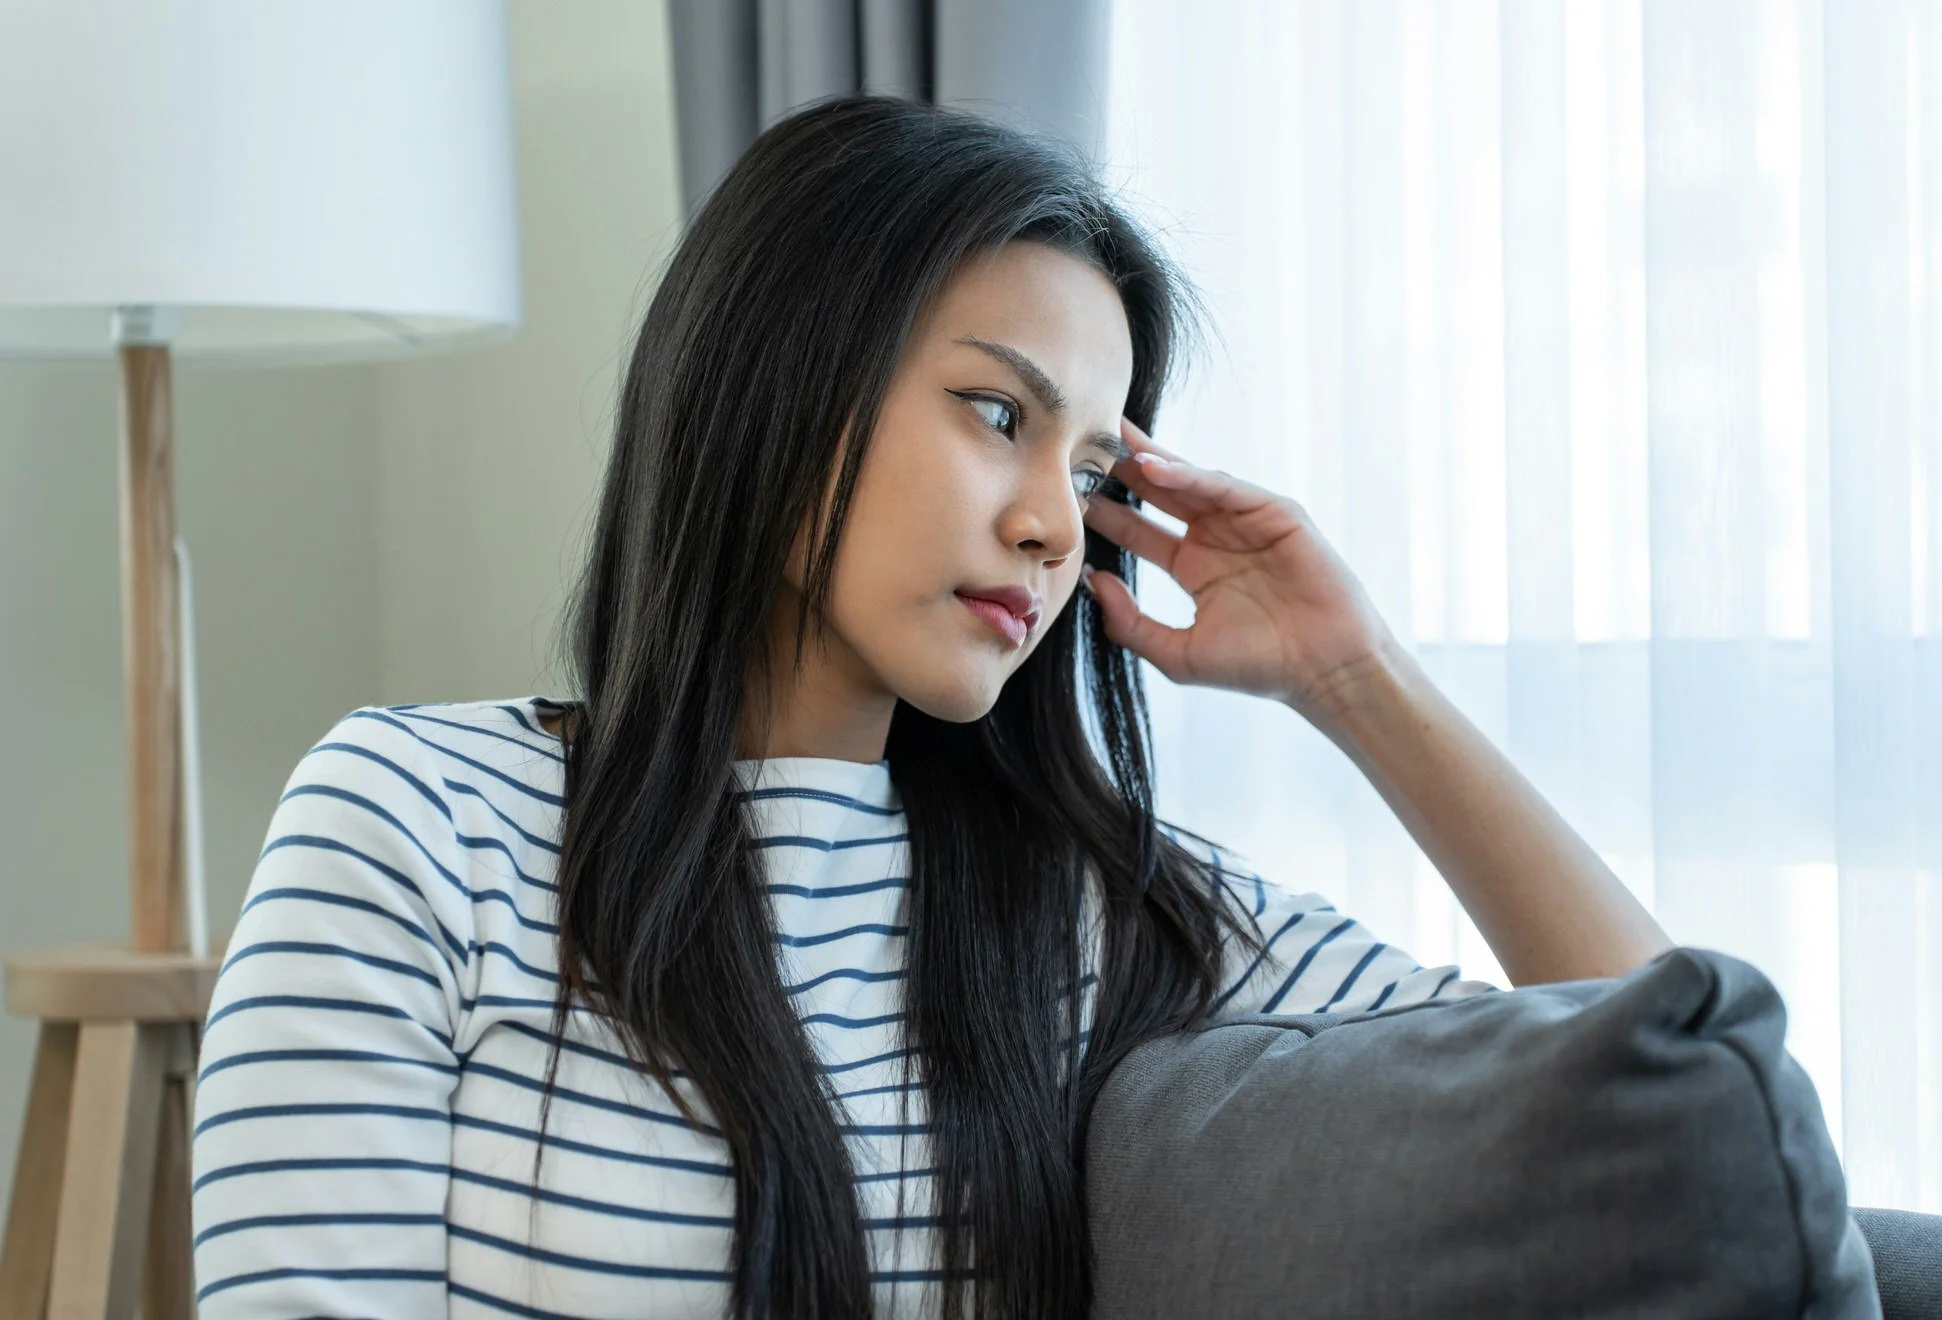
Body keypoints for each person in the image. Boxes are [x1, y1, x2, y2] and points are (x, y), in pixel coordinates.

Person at [188, 93, 1673, 1320]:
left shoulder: (1091, 915)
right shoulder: (420, 819)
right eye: (996, 413)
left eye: (1095, 471)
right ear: (780, 381)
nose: (1054, 523)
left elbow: (1678, 1094)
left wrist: (1358, 682)